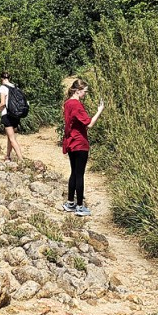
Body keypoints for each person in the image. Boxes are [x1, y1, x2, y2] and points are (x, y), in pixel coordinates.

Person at [61, 78, 103, 217]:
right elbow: (89, 123)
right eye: (85, 91)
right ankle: (79, 206)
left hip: (71, 141)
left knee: (73, 172)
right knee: (80, 174)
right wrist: (99, 111)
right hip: (80, 142)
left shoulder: (67, 103)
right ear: (78, 91)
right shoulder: (76, 105)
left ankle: (70, 203)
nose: (85, 94)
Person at [0, 71, 24, 162]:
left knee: (12, 138)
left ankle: (21, 159)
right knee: (10, 136)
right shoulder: (14, 86)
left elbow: (2, 103)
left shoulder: (3, 87)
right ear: (9, 78)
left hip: (7, 114)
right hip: (15, 114)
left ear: (1, 79)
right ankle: (8, 156)